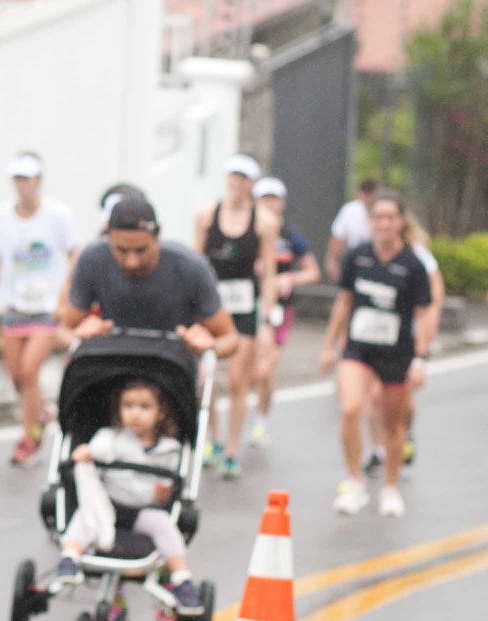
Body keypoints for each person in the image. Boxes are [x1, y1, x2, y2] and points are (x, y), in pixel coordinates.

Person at [321, 191, 435, 517]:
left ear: (400, 222)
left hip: (396, 353)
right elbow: (343, 302)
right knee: (350, 409)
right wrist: (329, 346)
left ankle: (389, 486)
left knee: (392, 425)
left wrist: (420, 358)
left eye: (390, 217)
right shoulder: (357, 257)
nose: (383, 224)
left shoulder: (413, 264)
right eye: (378, 218)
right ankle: (355, 481)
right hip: (357, 348)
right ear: (370, 222)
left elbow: (423, 313)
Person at [50, 379, 201, 613]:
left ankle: (182, 578)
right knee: (83, 519)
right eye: (128, 406)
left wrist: (164, 493)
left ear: (160, 413)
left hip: (141, 510)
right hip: (106, 505)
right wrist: (87, 452)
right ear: (119, 410)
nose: (136, 414)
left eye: (144, 407)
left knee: (164, 526)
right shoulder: (110, 437)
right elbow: (95, 450)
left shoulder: (169, 449)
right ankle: (69, 557)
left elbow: (165, 490)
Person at [0, 152, 79, 466]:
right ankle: (41, 412)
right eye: (17, 179)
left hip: (46, 309)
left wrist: (64, 294)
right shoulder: (1, 217)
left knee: (29, 370)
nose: (22, 185)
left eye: (27, 178)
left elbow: (75, 253)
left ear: (38, 180)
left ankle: (29, 438)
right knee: (17, 377)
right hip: (14, 306)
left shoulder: (57, 215)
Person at [57, 196, 239, 360]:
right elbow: (63, 332)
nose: (131, 262)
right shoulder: (92, 259)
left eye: (141, 250)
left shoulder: (190, 266)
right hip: (113, 365)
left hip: (172, 369)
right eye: (121, 250)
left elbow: (231, 339)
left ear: (157, 237)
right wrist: (80, 338)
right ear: (109, 238)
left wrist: (208, 347)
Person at [193, 154, 279, 480]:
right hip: (212, 307)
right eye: (232, 175)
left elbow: (269, 272)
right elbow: (196, 262)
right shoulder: (205, 216)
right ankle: (213, 439)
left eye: (243, 177)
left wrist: (269, 317)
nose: (236, 182)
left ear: (251, 184)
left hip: (243, 308)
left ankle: (231, 449)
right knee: (207, 378)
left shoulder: (264, 222)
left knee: (238, 379)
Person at [365, 213, 445, 475]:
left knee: (400, 397)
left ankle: (406, 433)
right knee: (374, 395)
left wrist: (427, 333)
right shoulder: (370, 251)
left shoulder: (417, 256)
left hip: (407, 336)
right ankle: (380, 449)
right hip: (375, 332)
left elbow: (434, 295)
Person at [250, 177, 320, 448]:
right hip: (249, 307)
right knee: (248, 369)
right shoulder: (246, 232)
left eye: (273, 199)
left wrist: (290, 279)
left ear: (282, 203)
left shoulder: (291, 237)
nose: (268, 204)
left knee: (265, 369)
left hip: (280, 310)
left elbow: (313, 272)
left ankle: (260, 420)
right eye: (263, 198)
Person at [326, 177, 380, 282]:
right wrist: (332, 261)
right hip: (355, 262)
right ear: (360, 194)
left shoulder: (384, 211)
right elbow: (338, 237)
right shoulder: (350, 210)